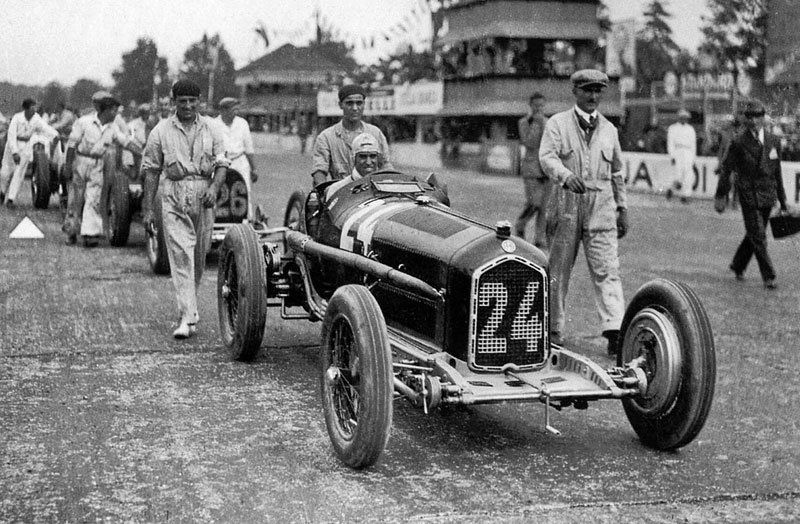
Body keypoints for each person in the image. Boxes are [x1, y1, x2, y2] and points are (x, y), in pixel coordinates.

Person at [538, 69, 628, 355]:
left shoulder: (610, 131)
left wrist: (622, 207)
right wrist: (565, 175)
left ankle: (615, 329)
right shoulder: (558, 124)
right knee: (559, 268)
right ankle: (553, 327)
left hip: (601, 205)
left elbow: (617, 173)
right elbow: (546, 157)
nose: (593, 96)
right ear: (574, 91)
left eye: (598, 91)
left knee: (607, 268)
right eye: (587, 90)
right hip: (566, 202)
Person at [141, 80, 229, 339]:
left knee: (199, 257)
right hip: (174, 194)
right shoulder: (160, 131)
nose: (188, 106)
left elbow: (222, 163)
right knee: (180, 256)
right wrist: (148, 209)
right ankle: (186, 316)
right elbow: (151, 172)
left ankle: (190, 309)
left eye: (192, 101)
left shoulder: (212, 128)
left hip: (203, 195)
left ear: (199, 101)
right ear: (174, 103)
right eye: (182, 101)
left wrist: (214, 188)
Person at [714, 99, 788, 290]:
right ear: (746, 120)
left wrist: (783, 201)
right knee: (758, 235)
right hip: (749, 195)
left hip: (768, 195)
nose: (754, 121)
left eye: (757, 117)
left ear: (764, 118)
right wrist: (721, 195)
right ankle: (769, 276)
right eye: (750, 118)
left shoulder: (774, 141)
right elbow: (726, 169)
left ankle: (738, 264)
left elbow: (777, 172)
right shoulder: (738, 142)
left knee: (756, 233)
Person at [62, 91, 141, 247]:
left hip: (98, 164)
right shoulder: (84, 122)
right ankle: (71, 232)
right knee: (76, 199)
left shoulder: (112, 128)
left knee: (93, 198)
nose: (115, 114)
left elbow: (126, 142)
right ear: (104, 110)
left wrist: (141, 152)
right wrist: (68, 166)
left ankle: (89, 235)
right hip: (81, 161)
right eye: (113, 110)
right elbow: (72, 145)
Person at [311, 84, 391, 188]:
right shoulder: (326, 137)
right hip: (341, 194)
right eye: (349, 103)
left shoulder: (375, 133)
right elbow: (319, 170)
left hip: (371, 193)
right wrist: (324, 190)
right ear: (340, 105)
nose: (355, 108)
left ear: (364, 104)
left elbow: (385, 165)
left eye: (359, 103)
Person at [0, 98, 59, 207]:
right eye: (32, 107)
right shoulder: (17, 118)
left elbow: (45, 128)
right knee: (5, 172)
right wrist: (14, 152)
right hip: (13, 145)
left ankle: (11, 199)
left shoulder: (36, 119)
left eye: (34, 107)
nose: (34, 109)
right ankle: (2, 193)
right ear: (26, 108)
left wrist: (55, 135)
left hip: (26, 146)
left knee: (19, 173)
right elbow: (11, 134)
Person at [514, 92, 550, 248]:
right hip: (531, 168)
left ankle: (539, 238)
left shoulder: (549, 122)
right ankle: (520, 224)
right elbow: (529, 142)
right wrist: (536, 124)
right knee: (533, 203)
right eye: (536, 106)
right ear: (530, 105)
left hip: (546, 168)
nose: (539, 109)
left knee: (544, 207)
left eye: (541, 105)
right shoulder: (524, 122)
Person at [215, 97, 258, 216]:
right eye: (233, 110)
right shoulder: (214, 125)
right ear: (224, 110)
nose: (236, 112)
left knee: (244, 191)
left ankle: (246, 220)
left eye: (237, 109)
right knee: (221, 191)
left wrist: (253, 168)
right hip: (220, 163)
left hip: (240, 161)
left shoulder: (242, 123)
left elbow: (249, 148)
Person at [324, 132, 381, 199]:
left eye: (372, 156)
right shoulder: (337, 189)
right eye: (363, 156)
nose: (368, 162)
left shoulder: (387, 186)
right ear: (353, 159)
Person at [666, 108, 696, 203]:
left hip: (688, 152)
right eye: (682, 117)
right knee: (677, 174)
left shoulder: (691, 129)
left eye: (685, 117)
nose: (684, 119)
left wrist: (693, 158)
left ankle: (686, 195)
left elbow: (693, 144)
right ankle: (671, 189)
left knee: (688, 174)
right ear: (679, 118)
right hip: (678, 151)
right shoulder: (673, 128)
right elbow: (670, 143)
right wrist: (672, 155)